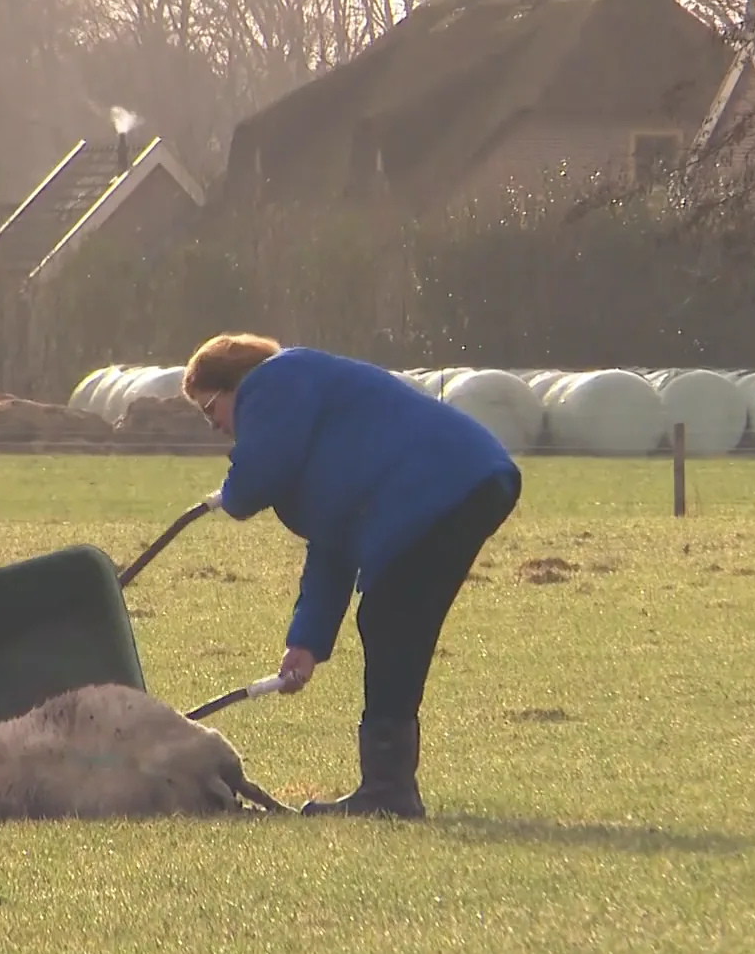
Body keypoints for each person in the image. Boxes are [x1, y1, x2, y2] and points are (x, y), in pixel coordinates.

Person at [180, 333, 522, 819]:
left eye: (210, 408)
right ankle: (388, 788)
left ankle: (387, 792)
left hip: (441, 481)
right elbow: (332, 546)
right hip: (470, 477)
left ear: (236, 384)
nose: (214, 425)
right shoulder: (309, 437)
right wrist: (306, 642)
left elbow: (254, 478)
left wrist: (231, 494)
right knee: (394, 621)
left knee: (389, 619)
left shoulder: (276, 380)